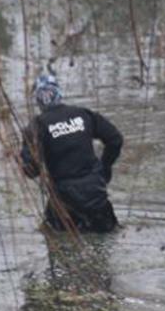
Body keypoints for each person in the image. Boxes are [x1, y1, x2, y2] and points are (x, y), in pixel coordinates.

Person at [20, 74, 123, 233]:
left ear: (38, 101)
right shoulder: (83, 114)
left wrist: (24, 159)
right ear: (59, 93)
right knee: (107, 241)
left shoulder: (36, 126)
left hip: (64, 201)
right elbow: (115, 140)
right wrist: (105, 168)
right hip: (95, 193)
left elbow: (31, 170)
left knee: (54, 239)